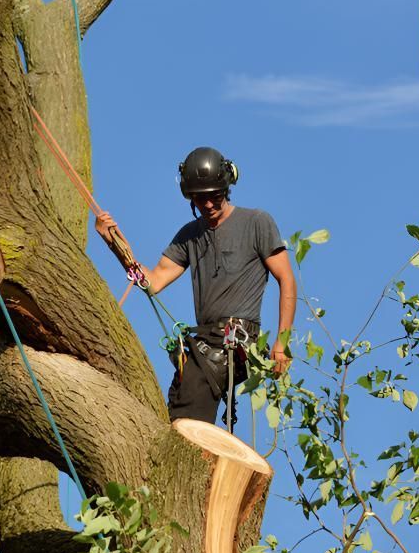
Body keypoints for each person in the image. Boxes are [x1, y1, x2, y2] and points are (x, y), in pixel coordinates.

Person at [95, 147, 297, 429]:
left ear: (227, 188)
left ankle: (190, 457)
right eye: (200, 199)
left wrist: (282, 343)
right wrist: (114, 244)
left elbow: (287, 279)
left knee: (192, 404)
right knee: (179, 401)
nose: (209, 205)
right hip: (204, 340)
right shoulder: (190, 235)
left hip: (236, 340)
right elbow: (153, 281)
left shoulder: (257, 222)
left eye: (214, 196)